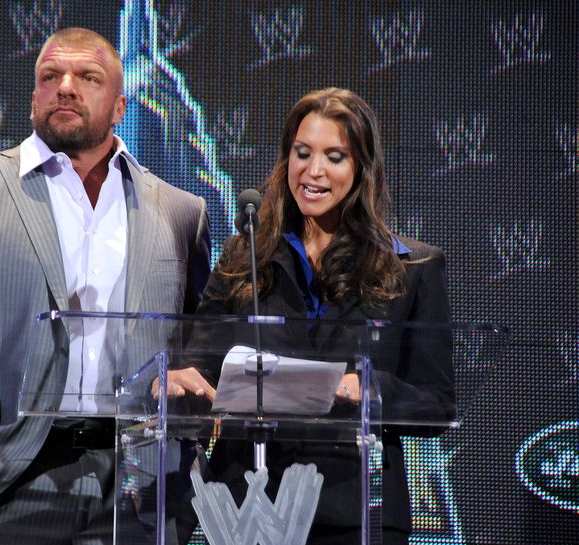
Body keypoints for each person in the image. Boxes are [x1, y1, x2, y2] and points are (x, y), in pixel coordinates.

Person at [0, 27, 210, 545]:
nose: (66, 87)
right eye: (50, 76)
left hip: (137, 491)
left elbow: (200, 346)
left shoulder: (180, 211)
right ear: (33, 95)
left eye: (88, 77)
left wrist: (186, 446)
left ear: (120, 107)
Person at [165, 87, 454, 544]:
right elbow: (200, 367)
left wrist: (367, 387)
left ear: (361, 169)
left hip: (358, 508)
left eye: (334, 157)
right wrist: (178, 381)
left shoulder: (413, 267)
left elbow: (436, 404)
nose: (313, 171)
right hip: (250, 504)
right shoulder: (245, 257)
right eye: (302, 153)